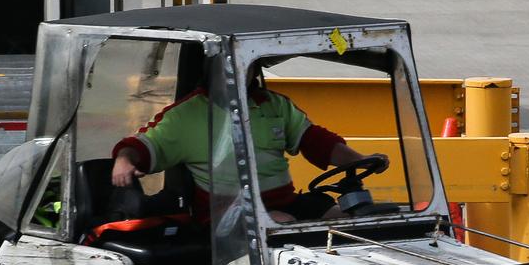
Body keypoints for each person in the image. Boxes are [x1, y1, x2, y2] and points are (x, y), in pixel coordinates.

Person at [111, 80, 386, 223]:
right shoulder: (187, 115)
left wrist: (361, 161)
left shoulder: (274, 104)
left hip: (284, 201)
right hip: (225, 213)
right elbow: (142, 146)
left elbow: (318, 142)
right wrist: (124, 160)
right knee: (281, 223)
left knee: (345, 222)